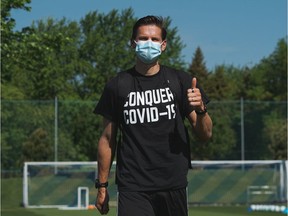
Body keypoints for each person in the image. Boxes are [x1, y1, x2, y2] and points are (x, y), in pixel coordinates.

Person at [94, 15, 213, 216]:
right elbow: (107, 140)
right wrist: (102, 185)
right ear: (133, 43)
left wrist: (201, 110)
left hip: (172, 183)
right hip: (133, 185)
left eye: (155, 39)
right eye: (143, 39)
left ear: (163, 45)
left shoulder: (181, 81)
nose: (149, 44)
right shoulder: (117, 85)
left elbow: (205, 134)